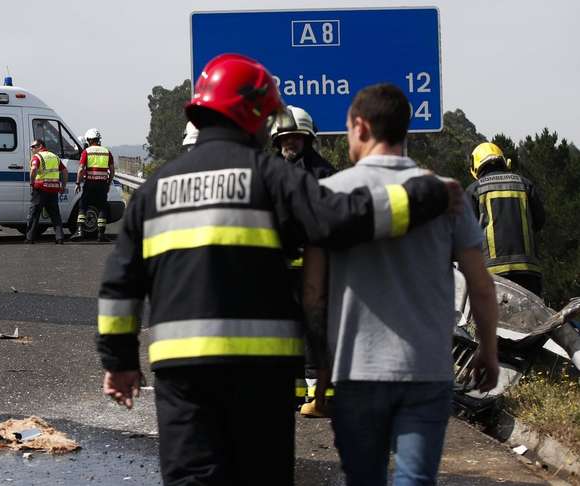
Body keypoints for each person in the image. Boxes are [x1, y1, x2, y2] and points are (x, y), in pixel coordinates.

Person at [96, 54, 466, 485]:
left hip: (182, 371)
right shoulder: (270, 175)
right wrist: (423, 196)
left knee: (192, 479)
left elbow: (119, 283)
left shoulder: (155, 189)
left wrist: (119, 361)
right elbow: (340, 219)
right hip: (259, 371)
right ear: (252, 114)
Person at [302, 83, 500, 486]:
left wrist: (321, 371)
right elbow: (481, 286)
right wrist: (488, 350)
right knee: (415, 479)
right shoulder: (449, 195)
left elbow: (313, 294)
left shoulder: (329, 194)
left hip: (356, 372)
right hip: (425, 369)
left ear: (360, 126)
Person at [270, 105, 337, 416]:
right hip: (279, 270)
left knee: (315, 334)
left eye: (295, 138)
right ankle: (294, 392)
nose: (289, 143)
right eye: (284, 139)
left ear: (308, 139)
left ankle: (321, 396)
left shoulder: (325, 174)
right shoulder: (269, 174)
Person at [466, 142, 545, 296]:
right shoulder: (525, 185)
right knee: (533, 318)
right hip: (528, 272)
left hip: (492, 274)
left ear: (476, 167)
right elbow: (539, 221)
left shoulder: (474, 190)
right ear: (504, 161)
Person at [72, 128, 115, 242]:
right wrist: (109, 183)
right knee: (102, 207)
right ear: (98, 139)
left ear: (88, 140)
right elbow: (112, 170)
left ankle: (80, 231)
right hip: (102, 184)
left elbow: (81, 169)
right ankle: (101, 234)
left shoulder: (86, 152)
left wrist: (78, 183)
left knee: (83, 205)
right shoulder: (107, 152)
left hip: (90, 183)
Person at [26, 139, 66, 244]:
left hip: (40, 189)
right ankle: (60, 237)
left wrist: (31, 183)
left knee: (34, 213)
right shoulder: (55, 157)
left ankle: (30, 238)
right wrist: (63, 186)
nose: (32, 149)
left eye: (34, 146)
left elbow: (34, 169)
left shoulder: (37, 157)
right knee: (55, 214)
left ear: (40, 146)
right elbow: (64, 171)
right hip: (53, 189)